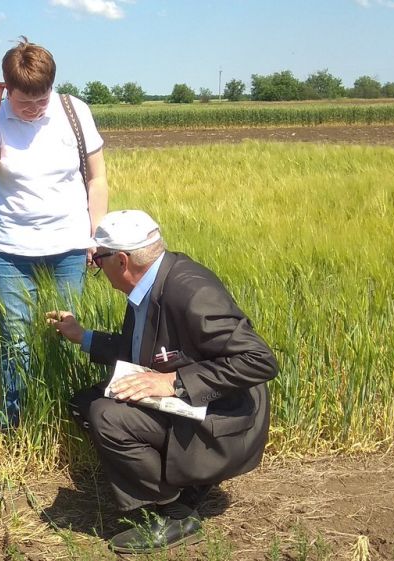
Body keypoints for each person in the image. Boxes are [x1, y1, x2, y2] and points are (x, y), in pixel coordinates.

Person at [46, 210, 278, 554]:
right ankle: (188, 486)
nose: (94, 264)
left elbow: (258, 360)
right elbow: (140, 349)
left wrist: (174, 382)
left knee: (106, 415)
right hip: (200, 407)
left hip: (225, 422)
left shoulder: (189, 291)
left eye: (98, 257)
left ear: (122, 260)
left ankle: (173, 513)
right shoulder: (148, 285)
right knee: (85, 401)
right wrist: (83, 336)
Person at [0, 36, 109, 428]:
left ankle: (64, 419)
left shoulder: (74, 112)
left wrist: (96, 237)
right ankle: (15, 424)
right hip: (9, 250)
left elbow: (97, 180)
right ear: (6, 89)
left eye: (41, 99)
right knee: (16, 340)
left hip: (69, 248)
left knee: (64, 336)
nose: (34, 109)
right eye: (24, 101)